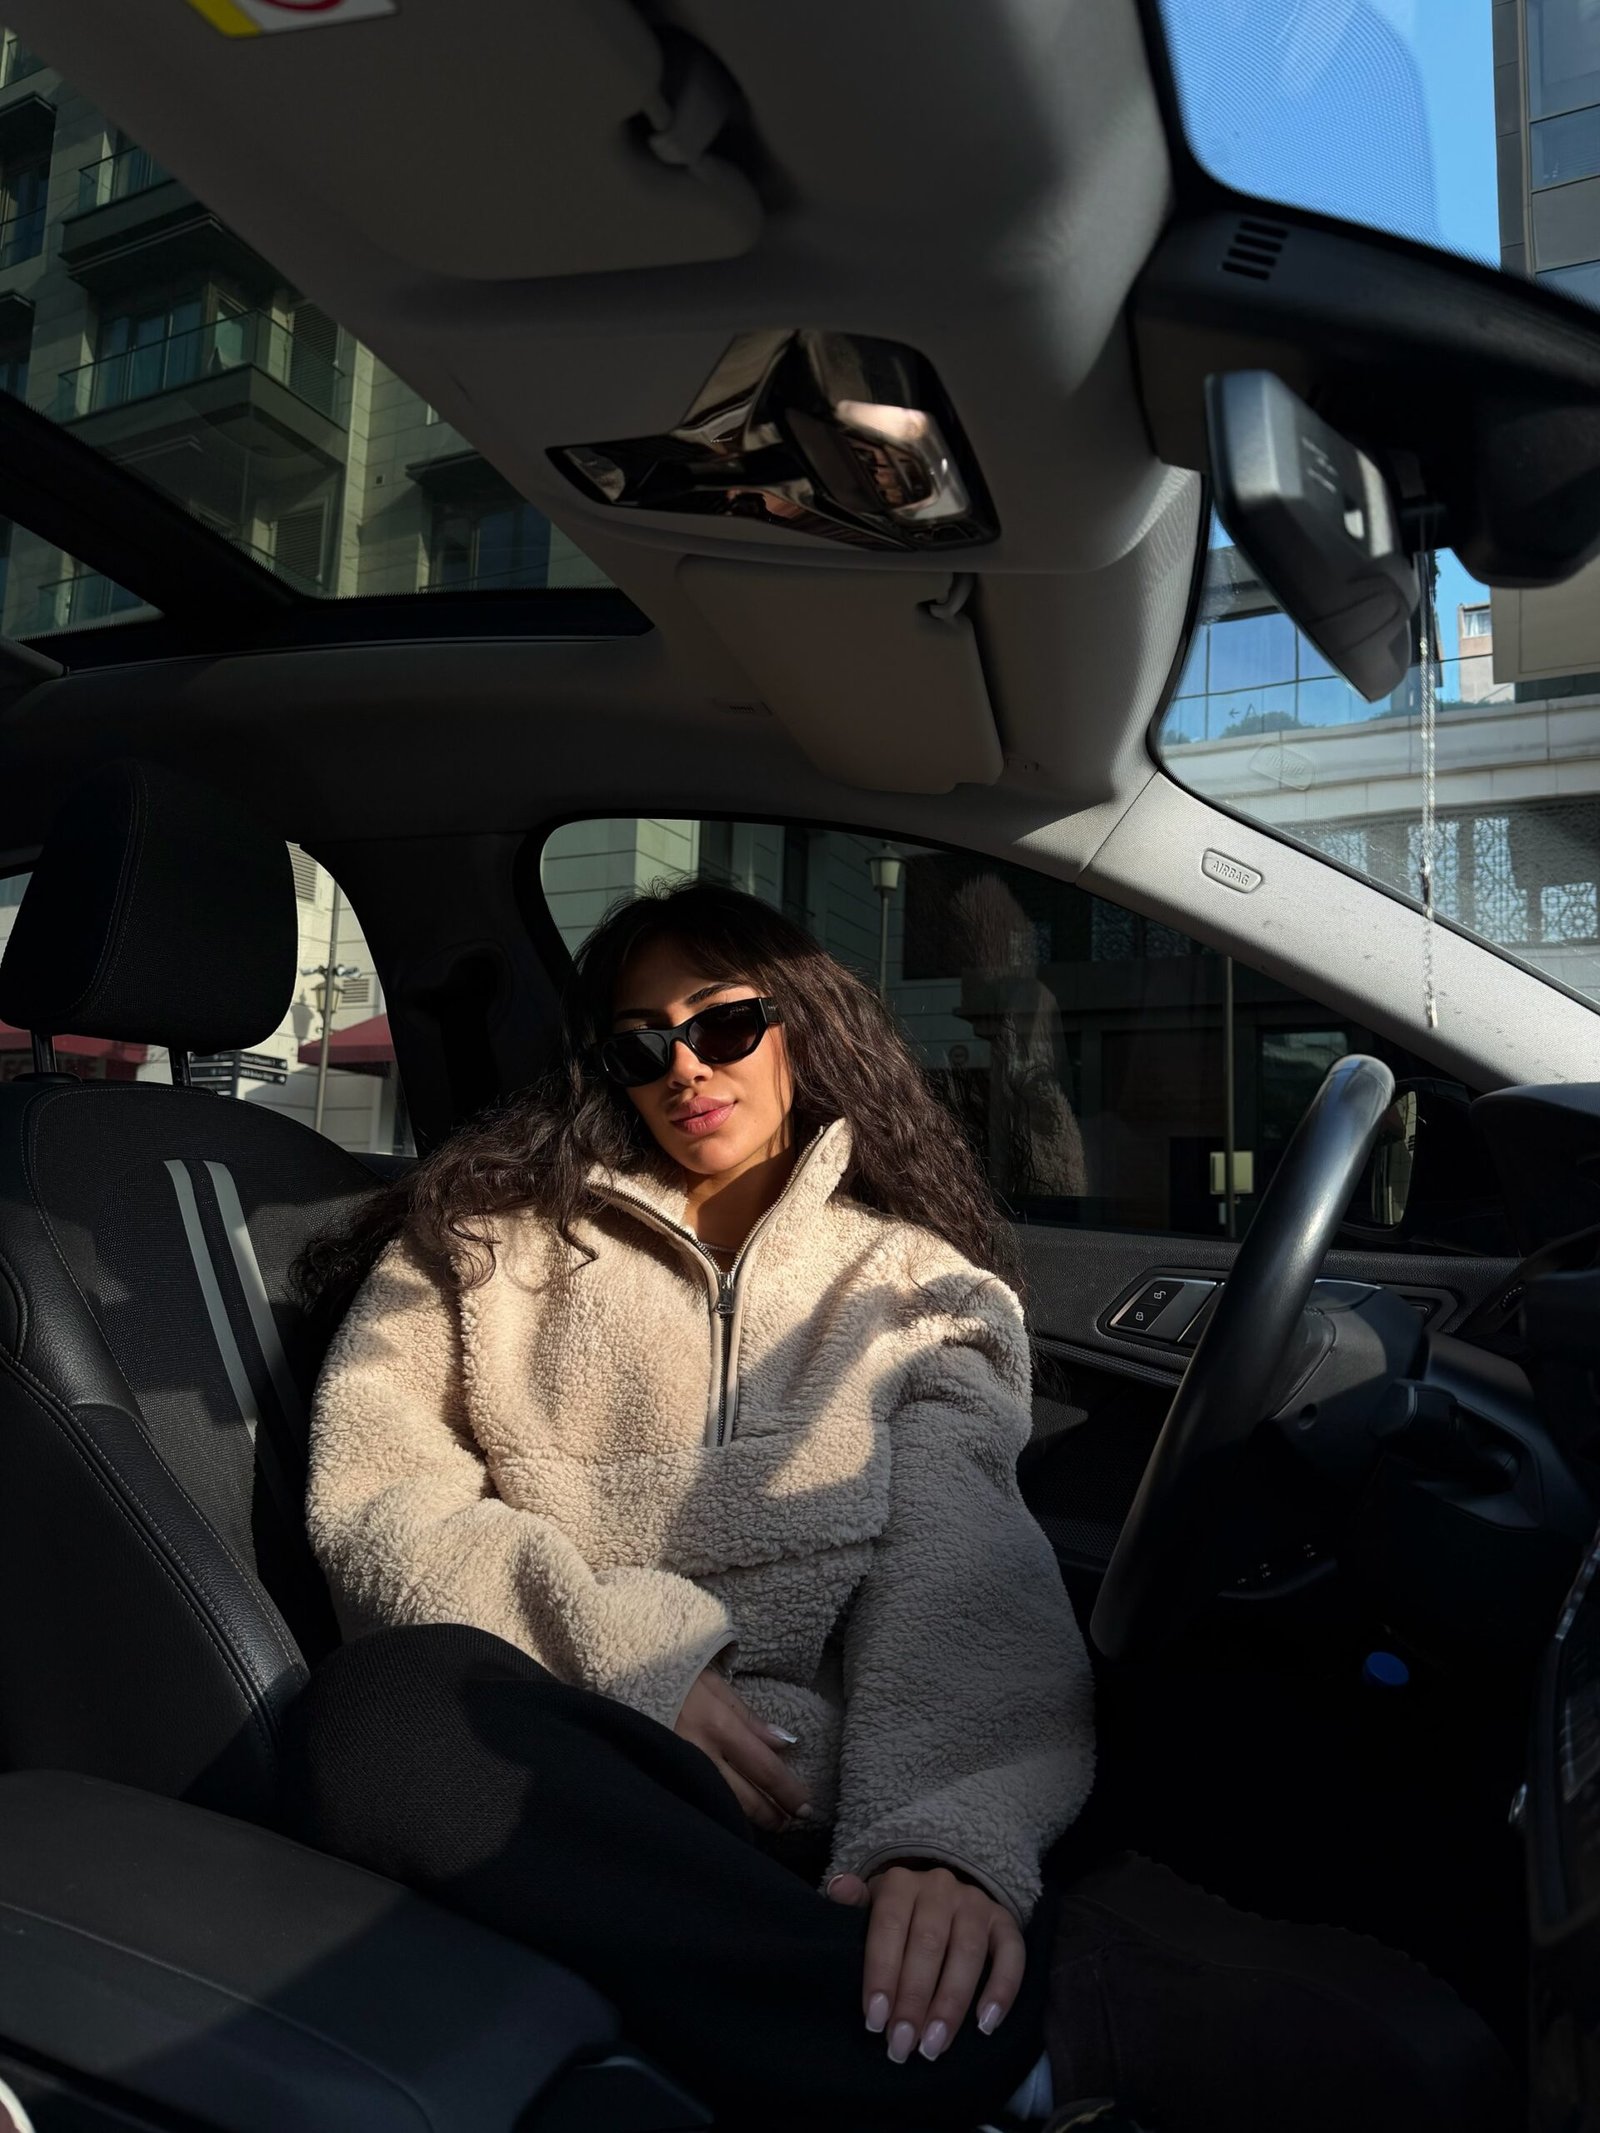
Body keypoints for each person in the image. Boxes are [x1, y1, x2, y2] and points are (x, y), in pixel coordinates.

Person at [287, 881, 1516, 2133]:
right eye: (640, 1046)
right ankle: (997, 2048)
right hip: (582, 1758)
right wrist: (630, 1661)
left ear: (802, 1029)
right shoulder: (475, 1249)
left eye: (722, 1025)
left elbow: (959, 1567)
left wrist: (936, 1839)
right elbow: (384, 1501)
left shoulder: (911, 1283)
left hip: (823, 1791)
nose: (684, 1068)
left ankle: (909, 1995)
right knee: (381, 1712)